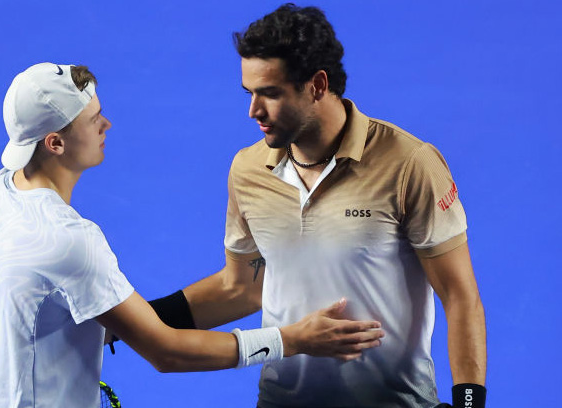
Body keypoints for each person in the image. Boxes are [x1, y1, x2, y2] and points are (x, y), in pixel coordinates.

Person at [0, 62, 386, 408]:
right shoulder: (70, 239)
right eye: (93, 119)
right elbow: (165, 352)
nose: (106, 124)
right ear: (55, 143)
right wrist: (291, 340)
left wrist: (93, 325)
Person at [145, 4, 487, 408]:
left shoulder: (409, 163)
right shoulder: (248, 170)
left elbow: (458, 294)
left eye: (270, 93)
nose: (253, 110)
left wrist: (469, 405)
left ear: (317, 85)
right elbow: (242, 287)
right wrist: (128, 320)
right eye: (249, 92)